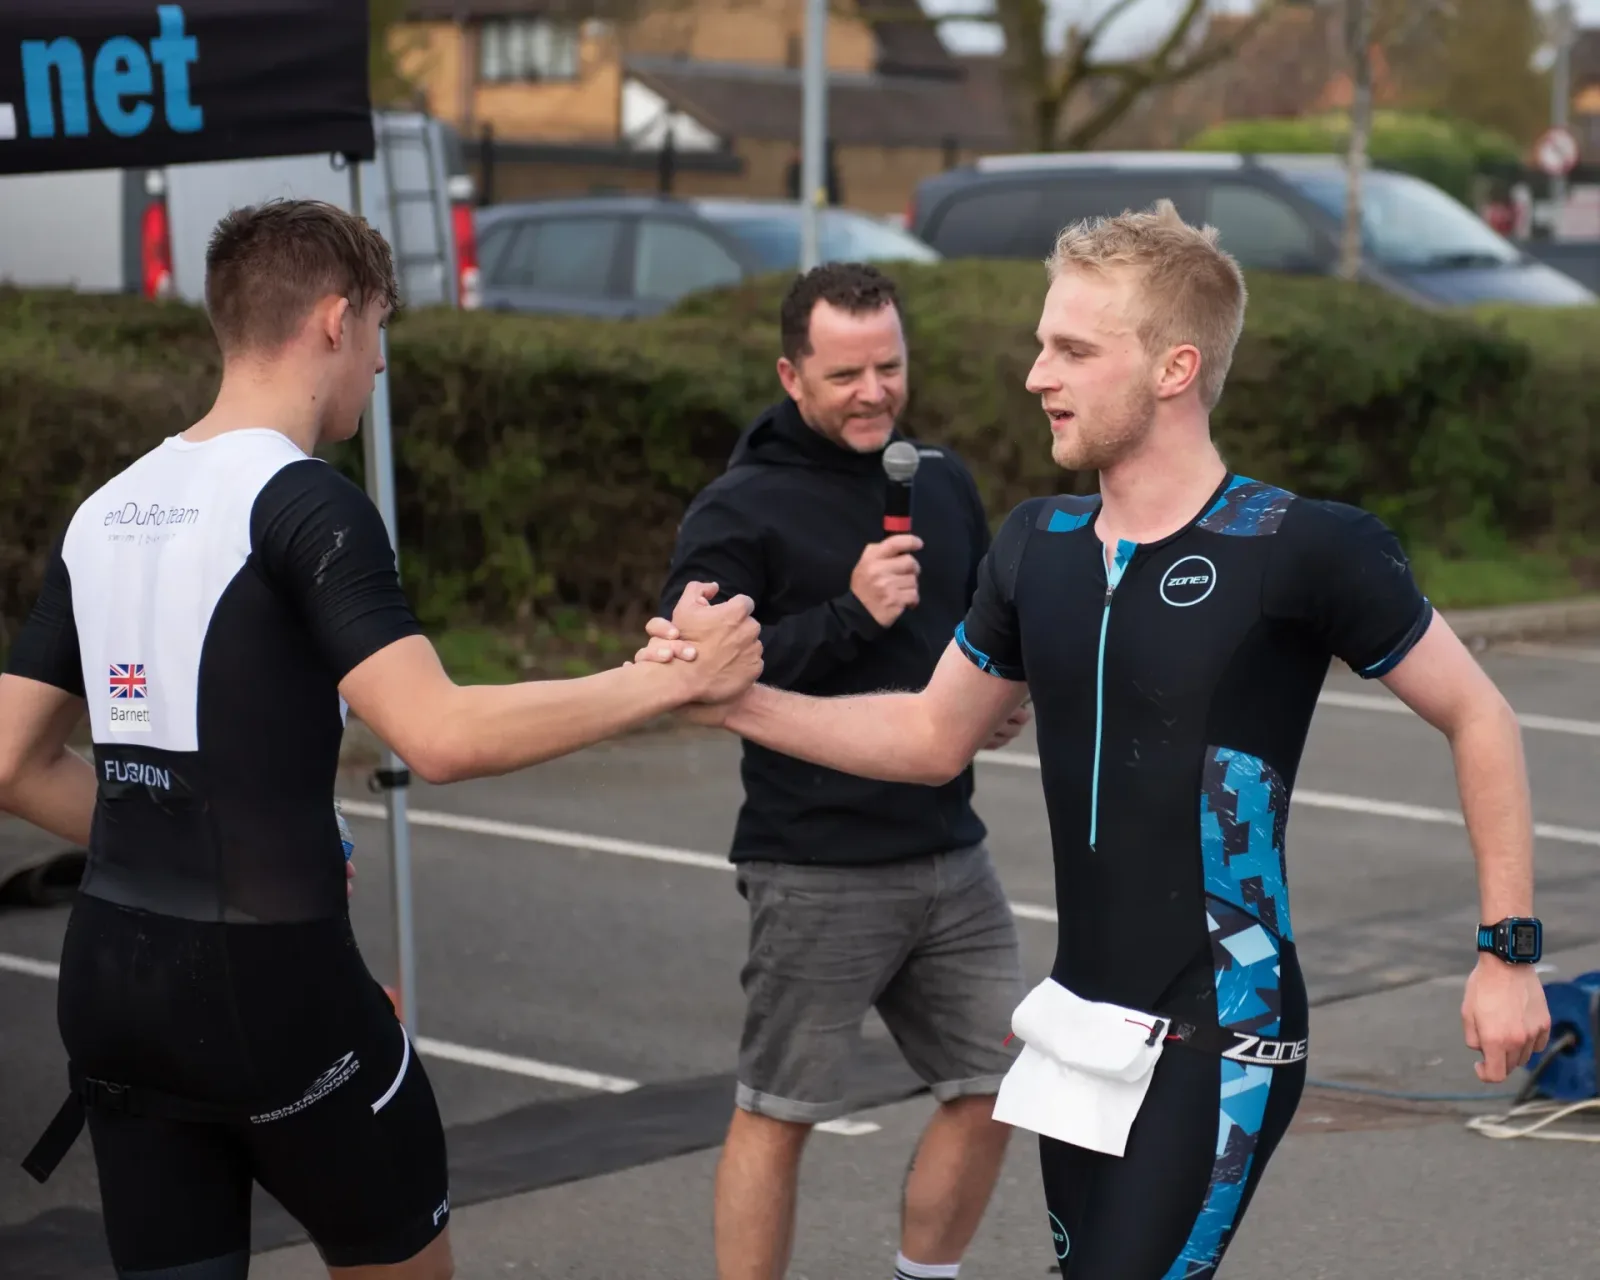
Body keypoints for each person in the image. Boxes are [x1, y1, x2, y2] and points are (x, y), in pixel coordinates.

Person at [639, 202, 1552, 1277]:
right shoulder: (1040, 545)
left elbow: (1477, 711)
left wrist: (1506, 951)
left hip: (1225, 1026)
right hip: (1080, 1028)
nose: (1036, 374)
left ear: (1172, 367)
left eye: (1070, 348)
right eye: (1040, 344)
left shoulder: (1300, 546)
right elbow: (934, 733)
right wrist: (735, 701)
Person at [0, 198, 762, 1280]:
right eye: (381, 331)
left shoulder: (104, 508)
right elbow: (439, 731)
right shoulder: (309, 503)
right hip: (269, 987)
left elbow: (12, 761)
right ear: (333, 318)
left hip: (113, 986)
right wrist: (662, 682)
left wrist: (215, 839)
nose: (382, 364)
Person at [655, 262, 1031, 1280]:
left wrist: (999, 697)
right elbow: (689, 676)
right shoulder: (739, 509)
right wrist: (848, 615)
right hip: (815, 862)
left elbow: (980, 633)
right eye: (845, 374)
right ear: (791, 374)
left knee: (1001, 1077)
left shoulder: (940, 481)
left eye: (890, 366)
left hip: (951, 851)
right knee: (779, 1112)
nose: (873, 392)